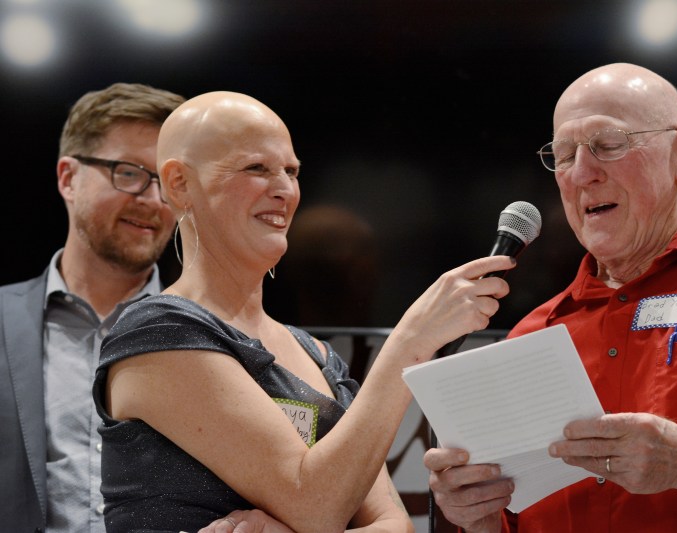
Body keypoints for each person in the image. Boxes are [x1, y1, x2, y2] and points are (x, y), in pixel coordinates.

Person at [91, 90, 515, 533]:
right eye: (256, 168)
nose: (284, 190)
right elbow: (313, 505)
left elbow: (397, 527)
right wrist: (410, 342)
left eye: (291, 171)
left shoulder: (316, 354)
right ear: (179, 184)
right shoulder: (158, 331)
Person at [424, 62, 677, 532]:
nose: (582, 174)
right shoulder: (531, 335)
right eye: (564, 155)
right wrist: (480, 521)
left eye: (608, 144)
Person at [0, 83, 184, 532]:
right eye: (129, 173)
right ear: (68, 178)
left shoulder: (208, 334)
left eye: (168, 183)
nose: (153, 200)